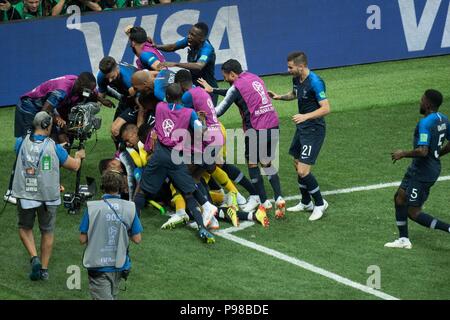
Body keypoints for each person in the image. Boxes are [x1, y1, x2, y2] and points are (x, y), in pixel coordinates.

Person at [199, 59, 283, 221]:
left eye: (225, 76)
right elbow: (236, 93)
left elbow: (220, 110)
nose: (224, 79)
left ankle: (262, 201)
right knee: (266, 162)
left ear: (232, 74)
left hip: (256, 128)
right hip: (272, 123)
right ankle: (279, 197)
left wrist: (204, 115)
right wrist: (214, 90)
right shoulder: (254, 77)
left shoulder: (236, 87)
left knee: (252, 163)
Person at [134, 83, 216, 243]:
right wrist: (202, 124)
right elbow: (200, 131)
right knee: (188, 193)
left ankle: (134, 224)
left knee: (142, 191)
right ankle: (202, 228)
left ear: (168, 97)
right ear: (181, 97)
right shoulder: (189, 113)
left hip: (159, 154)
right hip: (176, 157)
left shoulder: (159, 107)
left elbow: (163, 98)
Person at [11, 111, 86, 281]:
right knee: (47, 231)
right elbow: (74, 166)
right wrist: (78, 156)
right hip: (48, 197)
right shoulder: (55, 147)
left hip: (25, 194)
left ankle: (34, 257)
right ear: (47, 126)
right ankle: (44, 269)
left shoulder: (19, 142)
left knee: (24, 227)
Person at [268, 51, 330, 221]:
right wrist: (280, 97)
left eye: (290, 67)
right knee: (296, 162)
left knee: (303, 171)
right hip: (302, 127)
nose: (288, 70)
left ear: (301, 66)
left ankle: (319, 204)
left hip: (314, 129)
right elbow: (295, 93)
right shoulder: (297, 78)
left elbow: (326, 108)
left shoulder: (316, 82)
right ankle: (305, 202)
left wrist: (305, 116)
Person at [385, 89, 450, 249]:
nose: (420, 102)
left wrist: (403, 153)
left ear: (427, 104)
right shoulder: (443, 119)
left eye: (422, 100)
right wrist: (437, 154)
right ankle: (403, 239)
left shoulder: (425, 123)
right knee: (399, 197)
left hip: (423, 172)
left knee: (413, 212)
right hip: (419, 168)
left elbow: (422, 150)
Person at [80, 171, 142, 300]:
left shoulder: (92, 208)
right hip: (119, 264)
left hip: (98, 266)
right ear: (120, 187)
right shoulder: (130, 207)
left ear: (103, 186)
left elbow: (82, 239)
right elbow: (137, 238)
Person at [157, 22, 218, 105]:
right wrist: (155, 46)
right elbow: (172, 47)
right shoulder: (189, 40)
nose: (189, 36)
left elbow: (199, 65)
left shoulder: (207, 49)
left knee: (207, 116)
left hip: (208, 87)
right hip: (193, 86)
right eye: (189, 33)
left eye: (193, 35)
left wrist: (176, 64)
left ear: (202, 38)